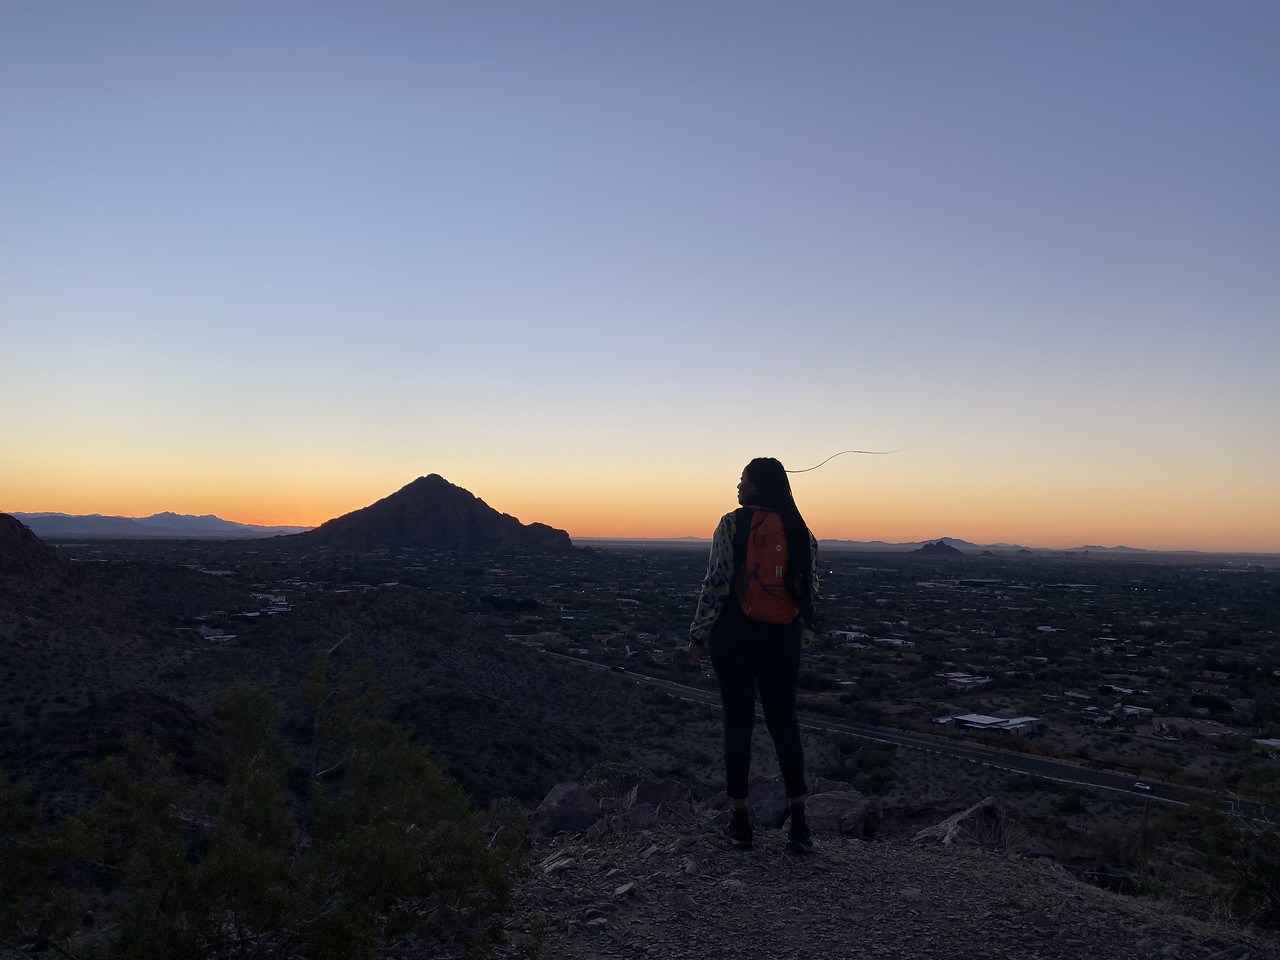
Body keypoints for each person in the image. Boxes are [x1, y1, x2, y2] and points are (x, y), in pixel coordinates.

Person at [687, 457, 818, 853]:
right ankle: (799, 827)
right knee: (784, 724)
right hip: (783, 637)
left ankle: (741, 824)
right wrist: (801, 636)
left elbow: (717, 581)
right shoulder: (800, 530)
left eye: (742, 480)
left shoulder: (732, 523)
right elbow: (809, 591)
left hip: (735, 635)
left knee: (738, 722)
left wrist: (697, 633)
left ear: (757, 486)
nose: (738, 487)